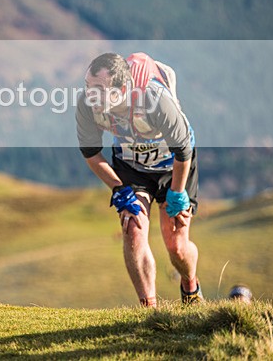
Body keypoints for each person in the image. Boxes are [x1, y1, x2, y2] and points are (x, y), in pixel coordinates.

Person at [75, 52, 202, 307]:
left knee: (176, 244)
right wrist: (118, 188)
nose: (91, 95)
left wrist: (177, 193)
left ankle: (190, 284)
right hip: (132, 166)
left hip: (174, 167)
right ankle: (149, 311)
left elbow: (183, 150)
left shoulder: (154, 99)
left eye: (99, 89)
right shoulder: (87, 105)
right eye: (88, 87)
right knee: (132, 229)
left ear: (122, 89)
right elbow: (91, 154)